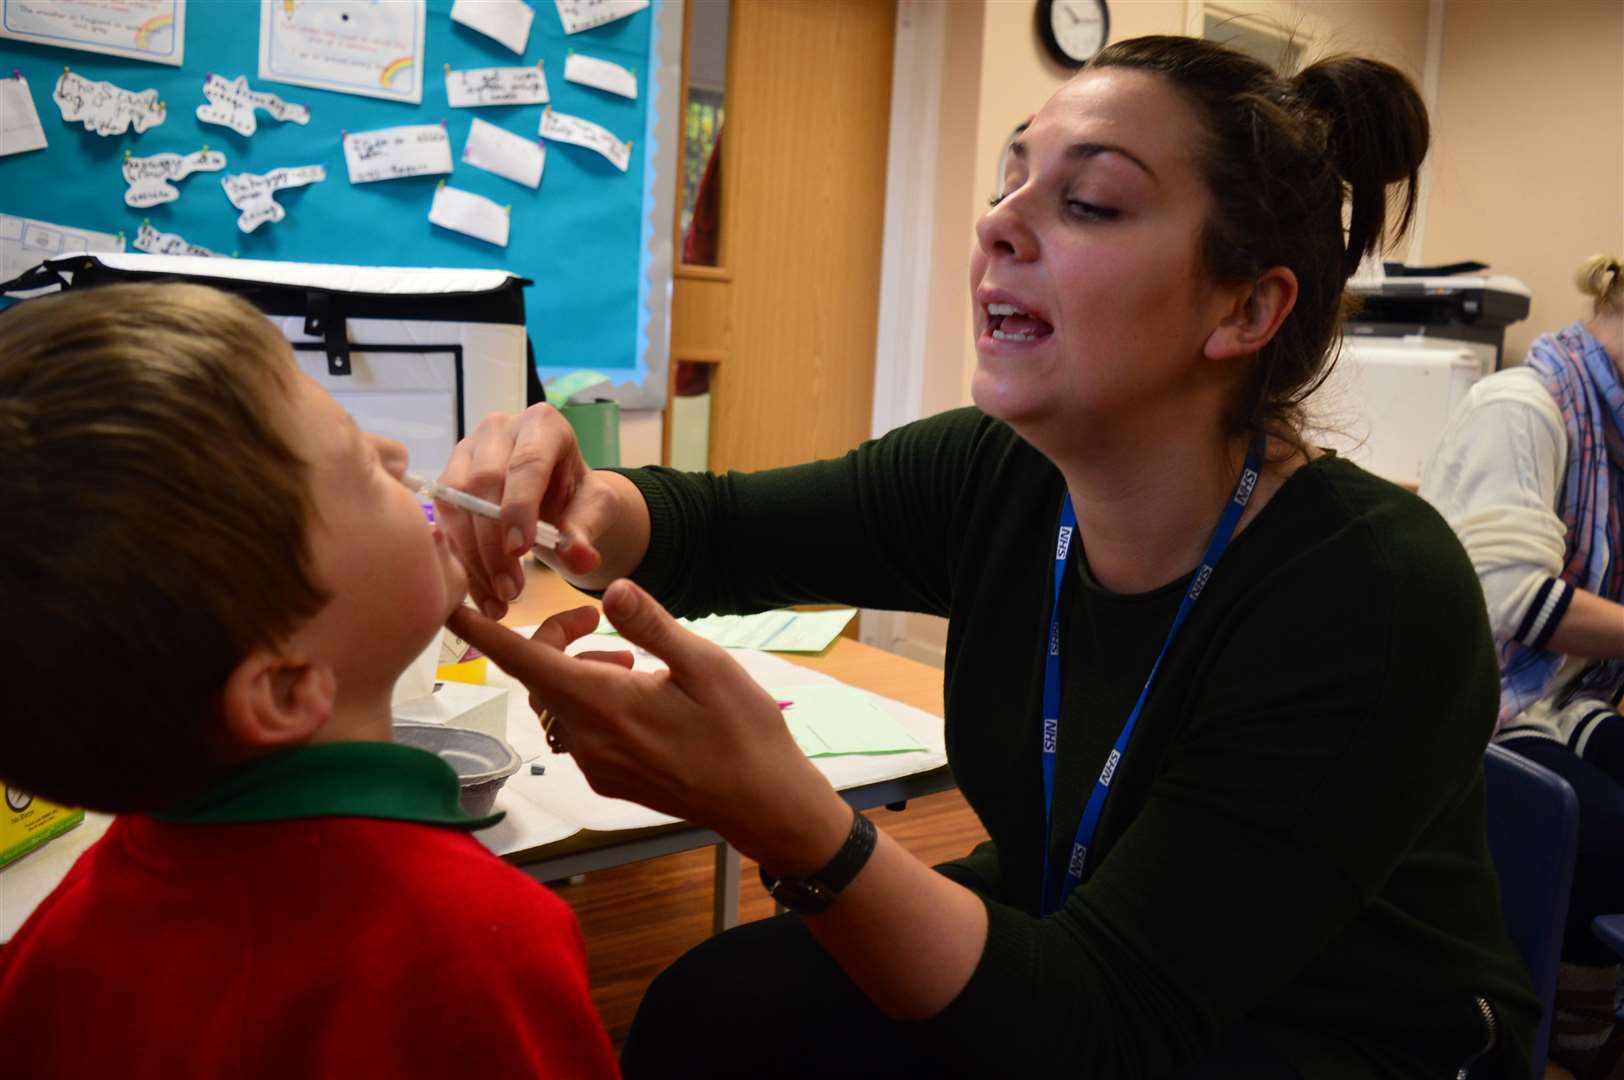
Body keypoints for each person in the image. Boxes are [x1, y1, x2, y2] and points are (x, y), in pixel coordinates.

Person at [442, 36, 1537, 1078]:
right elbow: (720, 529)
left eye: (1089, 202)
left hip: (1317, 1034)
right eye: (1008, 182)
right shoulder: (1001, 475)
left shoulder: (1371, 594)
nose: (1000, 226)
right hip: (1068, 938)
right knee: (716, 1012)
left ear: (1244, 306)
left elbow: (1104, 1031)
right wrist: (575, 500)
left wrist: (787, 821)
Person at [0, 283, 618, 1078]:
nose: (400, 457)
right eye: (363, 468)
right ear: (287, 690)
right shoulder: (480, 947)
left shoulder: (63, 931)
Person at [1421, 254, 1624, 1078]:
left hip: (1560, 701)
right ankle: (1562, 1035)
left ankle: (1583, 1018)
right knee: (1606, 829)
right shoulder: (1526, 406)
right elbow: (1517, 602)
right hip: (1484, 705)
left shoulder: (1610, 428)